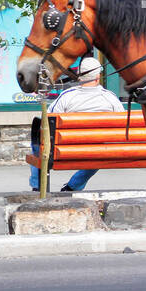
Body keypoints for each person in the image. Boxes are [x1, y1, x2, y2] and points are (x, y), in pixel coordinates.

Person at [28, 56, 123, 192]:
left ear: (79, 75)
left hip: (65, 152)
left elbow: (48, 121)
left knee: (38, 147)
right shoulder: (110, 98)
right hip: (97, 153)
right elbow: (121, 123)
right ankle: (73, 187)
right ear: (98, 76)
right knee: (98, 153)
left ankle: (37, 187)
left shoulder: (67, 96)